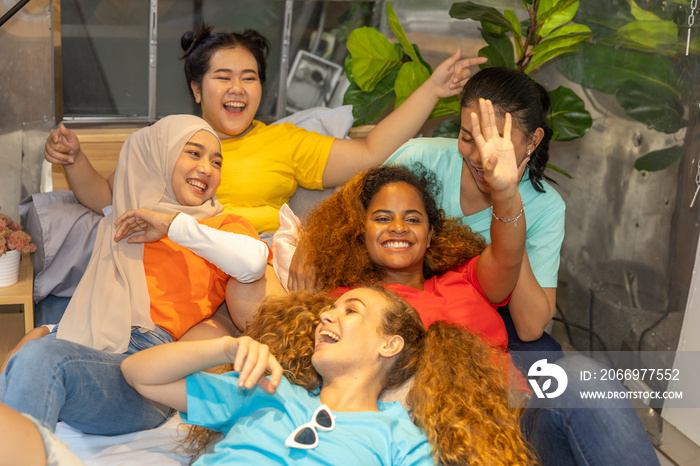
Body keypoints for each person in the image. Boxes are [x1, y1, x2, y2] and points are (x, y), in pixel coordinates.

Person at [43, 24, 486, 238]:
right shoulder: (168, 138)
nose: (237, 88)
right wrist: (74, 158)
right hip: (176, 261)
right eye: (223, 77)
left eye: (249, 77)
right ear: (197, 89)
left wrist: (431, 89)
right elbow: (107, 199)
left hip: (254, 265)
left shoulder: (284, 142)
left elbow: (371, 151)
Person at [0, 115, 270, 435]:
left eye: (216, 161)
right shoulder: (133, 216)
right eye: (194, 153)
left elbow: (253, 263)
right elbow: (97, 193)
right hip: (86, 337)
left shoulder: (225, 227)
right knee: (21, 361)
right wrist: (50, 329)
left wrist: (173, 225)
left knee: (40, 360)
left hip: (147, 363)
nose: (207, 168)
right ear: (161, 156)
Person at [120, 287, 535, 465]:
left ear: (389, 345)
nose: (326, 316)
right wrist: (225, 348)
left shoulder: (400, 439)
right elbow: (139, 373)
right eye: (329, 309)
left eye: (350, 310)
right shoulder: (268, 387)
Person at [382, 66, 564, 361]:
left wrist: (509, 199)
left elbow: (530, 327)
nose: (480, 158)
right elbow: (352, 225)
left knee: (544, 355)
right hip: (401, 297)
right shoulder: (419, 160)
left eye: (495, 145)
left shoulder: (547, 207)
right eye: (468, 138)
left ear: (532, 141)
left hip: (478, 317)